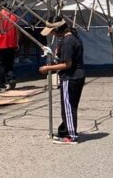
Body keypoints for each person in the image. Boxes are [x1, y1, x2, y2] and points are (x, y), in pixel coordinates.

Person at [38, 16, 85, 145]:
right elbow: (65, 58)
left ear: (58, 29)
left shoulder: (68, 41)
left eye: (53, 31)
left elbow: (67, 64)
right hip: (76, 76)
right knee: (69, 106)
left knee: (68, 108)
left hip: (71, 76)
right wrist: (52, 54)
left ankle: (71, 135)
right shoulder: (70, 37)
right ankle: (64, 130)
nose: (52, 34)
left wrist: (48, 68)